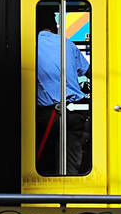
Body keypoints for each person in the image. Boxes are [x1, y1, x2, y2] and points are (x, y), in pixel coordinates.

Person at [36, 13, 91, 175]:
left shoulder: (29, 45)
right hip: (71, 113)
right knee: (71, 160)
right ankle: (70, 184)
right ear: (54, 27)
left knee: (43, 157)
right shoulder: (67, 44)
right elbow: (89, 72)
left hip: (43, 116)